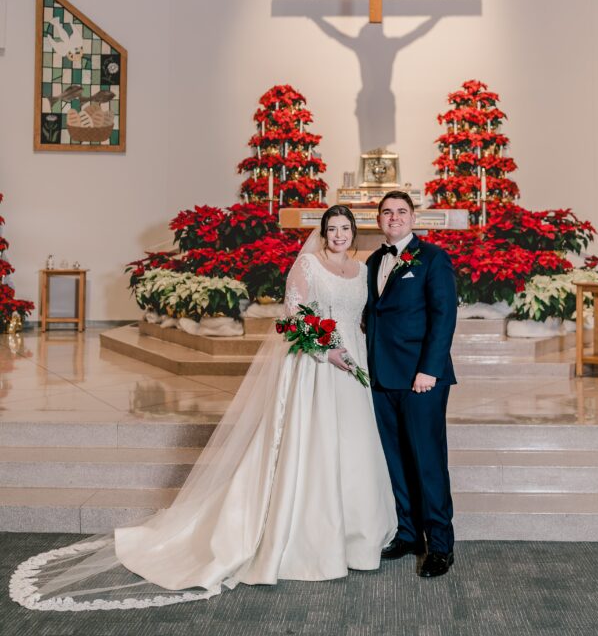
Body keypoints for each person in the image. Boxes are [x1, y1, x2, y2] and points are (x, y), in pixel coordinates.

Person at [10, 206, 396, 610]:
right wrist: (323, 350)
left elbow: (364, 316)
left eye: (345, 229)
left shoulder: (361, 270)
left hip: (353, 363)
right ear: (322, 232)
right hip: (316, 367)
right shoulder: (307, 265)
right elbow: (292, 314)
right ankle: (306, 535)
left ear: (354, 233)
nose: (338, 235)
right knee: (312, 444)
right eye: (332, 228)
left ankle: (356, 534)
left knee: (352, 445)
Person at [364, 190, 457, 579]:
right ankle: (407, 533)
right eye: (387, 212)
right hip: (382, 376)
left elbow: (444, 316)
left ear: (414, 217)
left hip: (421, 378)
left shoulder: (433, 258)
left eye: (401, 211)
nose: (394, 217)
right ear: (379, 220)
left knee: (427, 461)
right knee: (396, 460)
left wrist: (429, 370)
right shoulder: (372, 261)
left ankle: (439, 544)